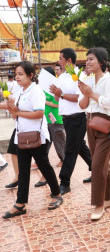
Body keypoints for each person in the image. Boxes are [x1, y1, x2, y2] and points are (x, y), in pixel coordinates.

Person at [3, 61, 63, 219]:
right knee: (23, 171)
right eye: (16, 74)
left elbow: (38, 114)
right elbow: (16, 114)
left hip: (36, 135)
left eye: (20, 74)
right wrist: (12, 109)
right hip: (22, 136)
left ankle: (56, 193)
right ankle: (20, 204)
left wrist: (17, 111)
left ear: (30, 75)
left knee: (44, 165)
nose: (17, 77)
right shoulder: (21, 91)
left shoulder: (36, 90)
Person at [78, 47, 110, 220]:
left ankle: (98, 204)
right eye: (87, 59)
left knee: (96, 165)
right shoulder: (87, 79)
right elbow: (82, 105)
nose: (88, 62)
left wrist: (92, 94)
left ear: (101, 62)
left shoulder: (109, 80)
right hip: (91, 123)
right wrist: (86, 94)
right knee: (101, 164)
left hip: (106, 124)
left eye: (91, 59)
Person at [50, 48, 92, 195]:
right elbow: (57, 98)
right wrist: (56, 94)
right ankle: (96, 168)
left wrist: (61, 95)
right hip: (66, 118)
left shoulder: (79, 76)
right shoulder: (61, 77)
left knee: (70, 150)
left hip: (77, 117)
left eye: (61, 58)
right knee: (79, 146)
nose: (59, 61)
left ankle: (65, 182)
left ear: (68, 60)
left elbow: (78, 98)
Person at [43, 67, 66, 169]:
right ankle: (41, 160)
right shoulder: (43, 87)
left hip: (55, 119)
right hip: (46, 119)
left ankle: (64, 159)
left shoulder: (55, 88)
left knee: (59, 141)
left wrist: (44, 102)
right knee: (46, 142)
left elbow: (57, 104)